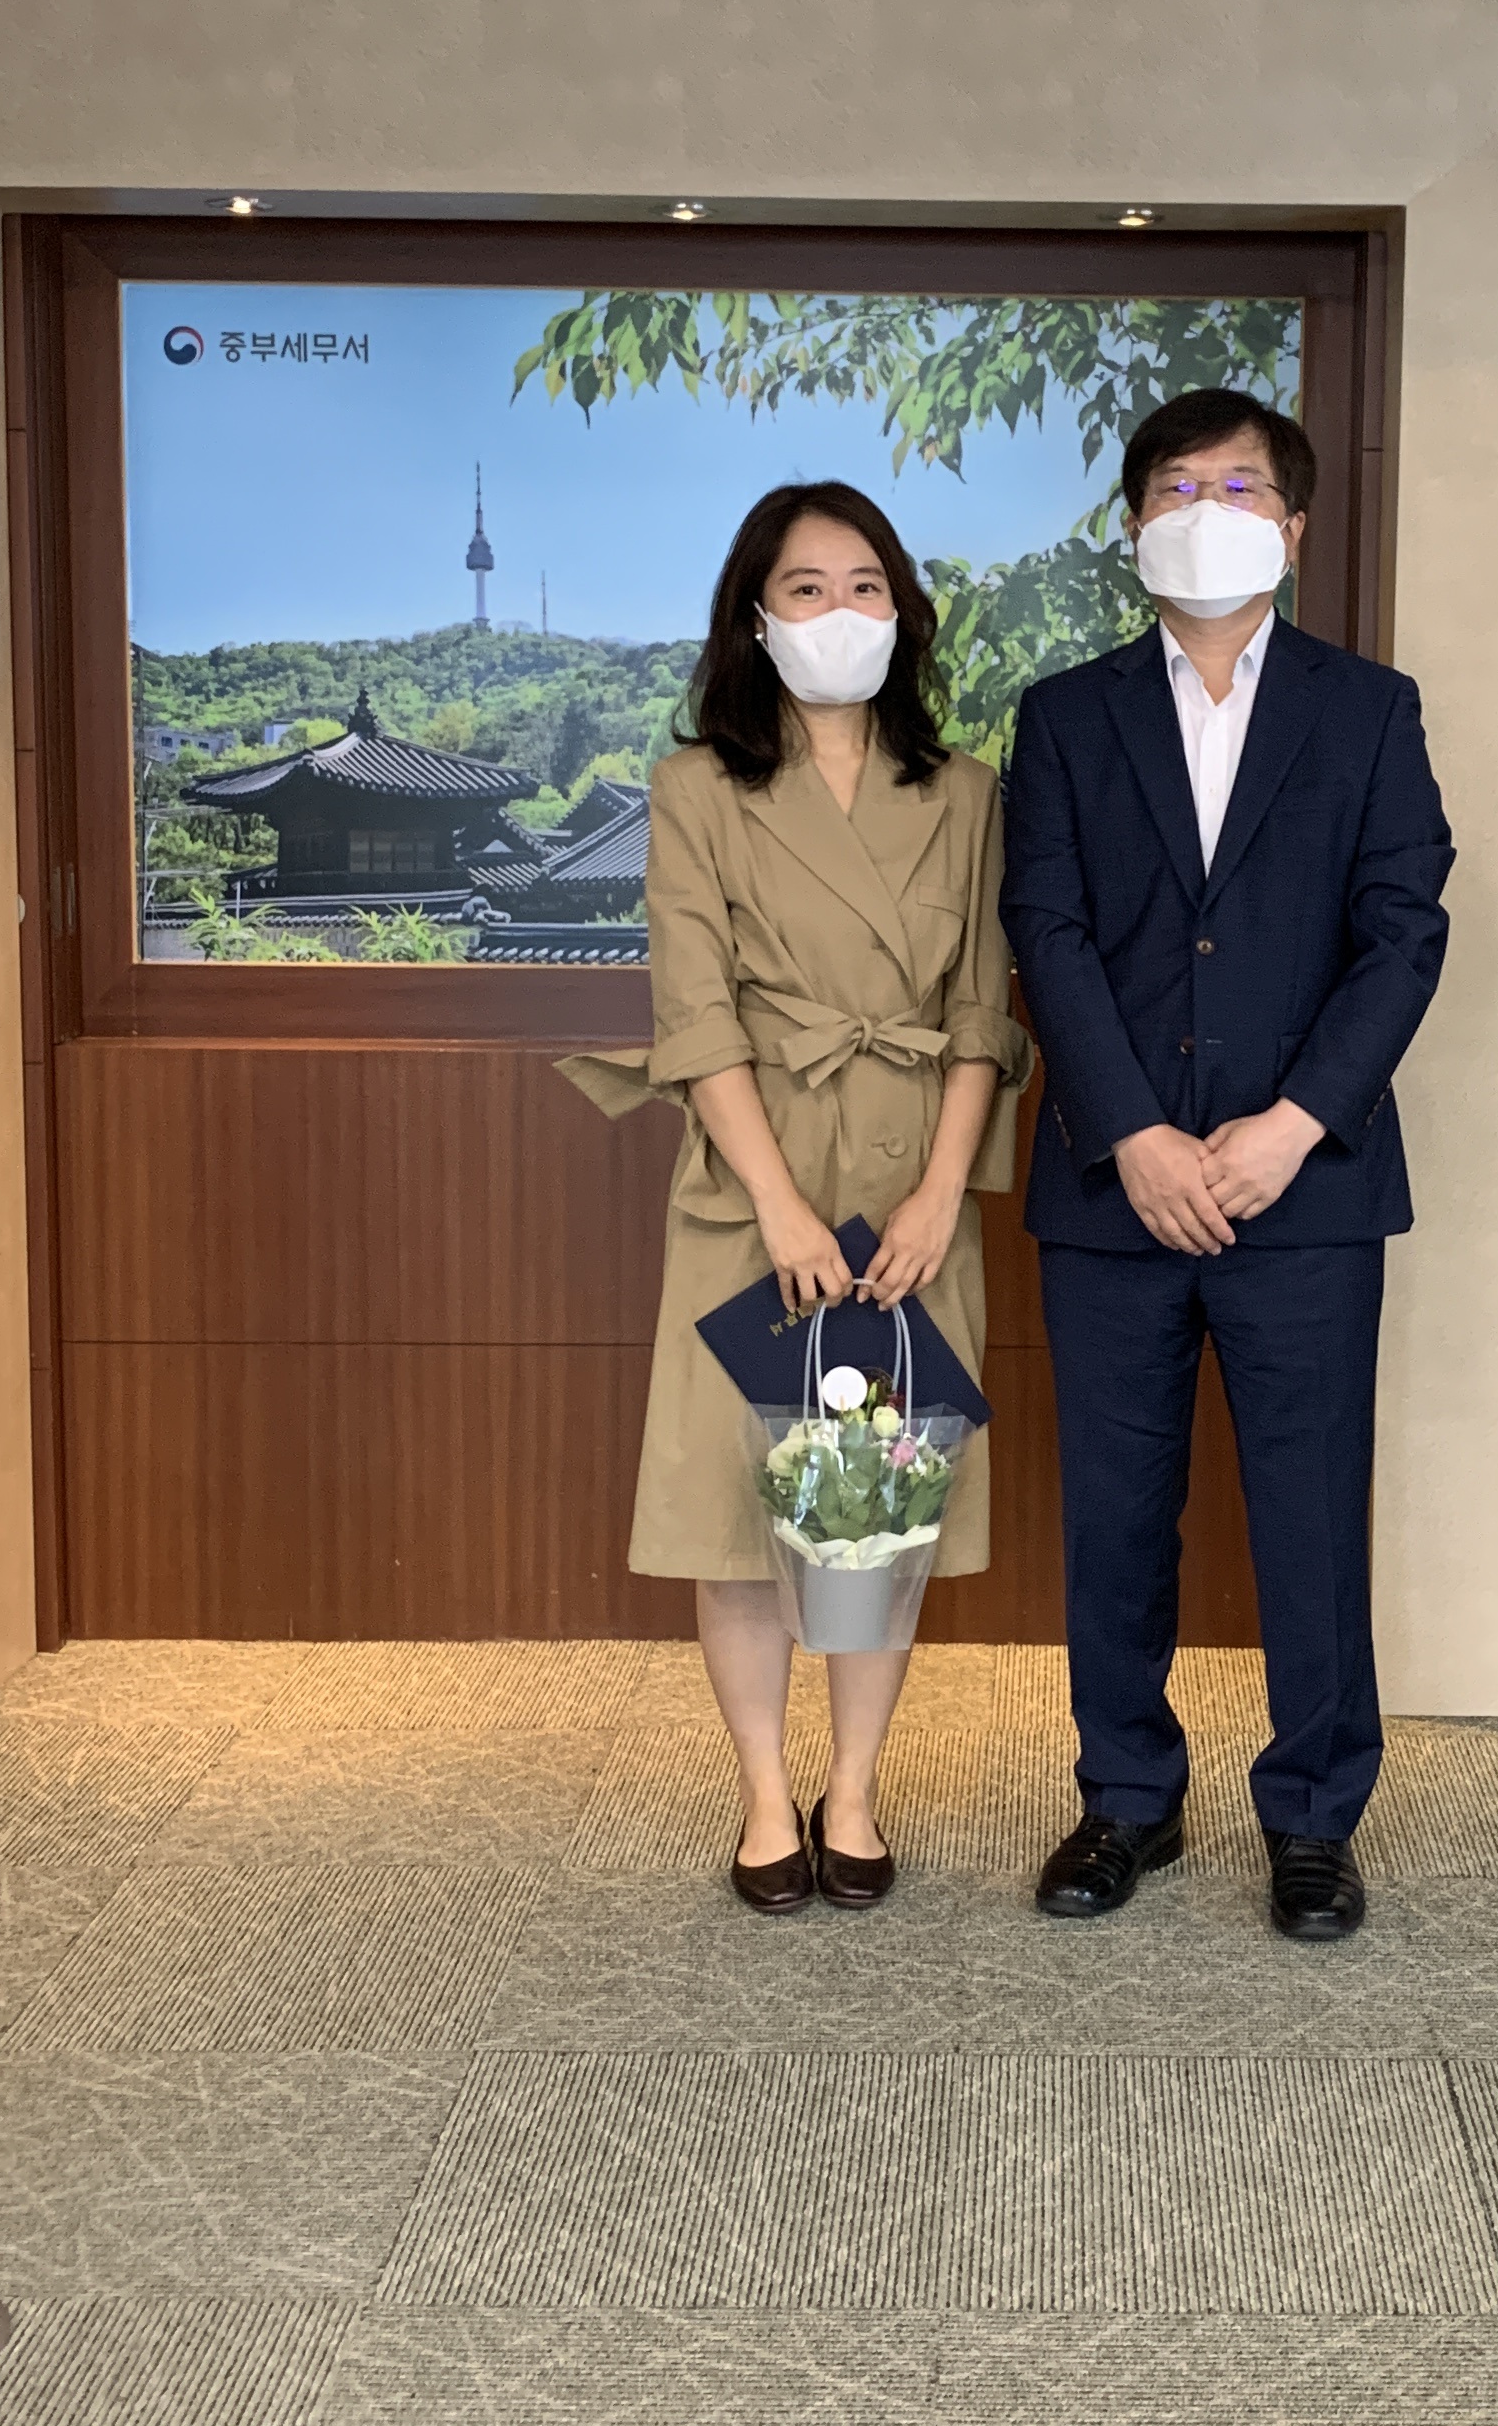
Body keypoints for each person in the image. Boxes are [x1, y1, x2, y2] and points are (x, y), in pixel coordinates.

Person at [999, 387, 1452, 1942]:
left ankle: (1315, 1817)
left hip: (1305, 1192)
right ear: (1134, 524)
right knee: (1117, 1514)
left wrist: (1293, 1123)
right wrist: (1133, 1132)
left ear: (1294, 525)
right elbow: (1046, 928)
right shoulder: (1065, 716)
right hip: (1112, 1189)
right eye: (1178, 487)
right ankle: (1126, 1796)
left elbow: (1404, 934)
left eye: (1241, 486)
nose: (1208, 511)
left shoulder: (1368, 711)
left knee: (1309, 1516)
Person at [564, 484, 1028, 1915]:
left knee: (883, 1510)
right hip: (750, 1180)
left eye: (866, 585)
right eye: (807, 589)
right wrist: (775, 1207)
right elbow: (695, 1015)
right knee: (738, 1509)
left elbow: (982, 1011)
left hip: (911, 1190)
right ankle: (767, 1795)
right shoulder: (696, 788)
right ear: (756, 619)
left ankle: (857, 1790)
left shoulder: (965, 792)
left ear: (904, 611)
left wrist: (943, 1194)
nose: (840, 612)